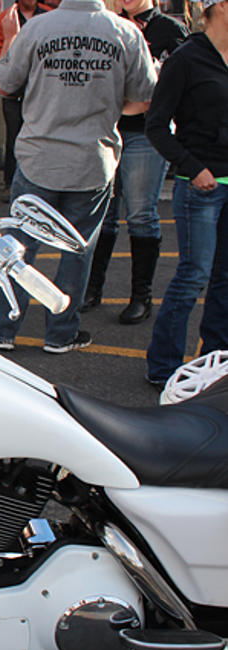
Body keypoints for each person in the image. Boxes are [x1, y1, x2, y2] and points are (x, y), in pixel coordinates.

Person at [0, 0, 157, 354]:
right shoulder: (125, 32)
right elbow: (146, 94)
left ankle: (2, 329)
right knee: (77, 252)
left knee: (17, 249)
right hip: (92, 160)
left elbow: (5, 84)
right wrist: (107, 104)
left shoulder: (38, 28)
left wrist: (12, 40)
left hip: (39, 157)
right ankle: (61, 333)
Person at [82, 0, 188, 324]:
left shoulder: (169, 30)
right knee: (106, 216)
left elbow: (182, 82)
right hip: (109, 131)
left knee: (141, 215)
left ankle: (141, 297)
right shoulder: (108, 25)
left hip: (147, 134)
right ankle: (92, 289)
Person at [144, 0, 228, 386]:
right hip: (201, 188)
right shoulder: (187, 58)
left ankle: (213, 366)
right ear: (216, 8)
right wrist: (194, 169)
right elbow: (156, 126)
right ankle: (163, 368)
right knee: (193, 276)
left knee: (224, 278)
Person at [0, 0, 52, 193]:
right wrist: (10, 40)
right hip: (13, 92)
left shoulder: (48, 16)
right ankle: (10, 183)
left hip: (41, 91)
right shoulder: (5, 19)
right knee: (15, 138)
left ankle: (39, 185)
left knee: (40, 138)